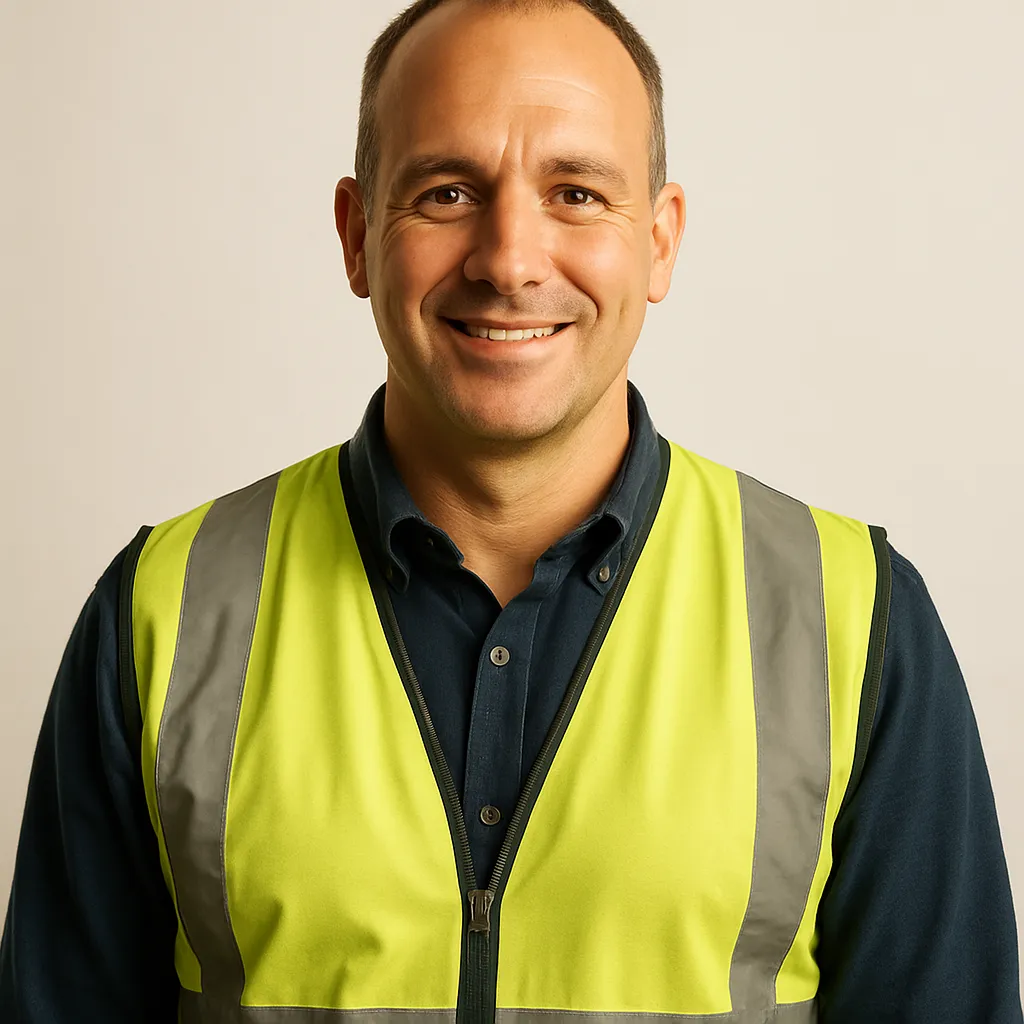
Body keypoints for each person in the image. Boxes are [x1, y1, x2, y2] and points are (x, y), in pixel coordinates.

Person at [2, 0, 1021, 1020]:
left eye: (576, 193)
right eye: (446, 191)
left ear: (658, 242)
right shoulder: (161, 611)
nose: (509, 259)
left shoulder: (853, 620)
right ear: (358, 237)